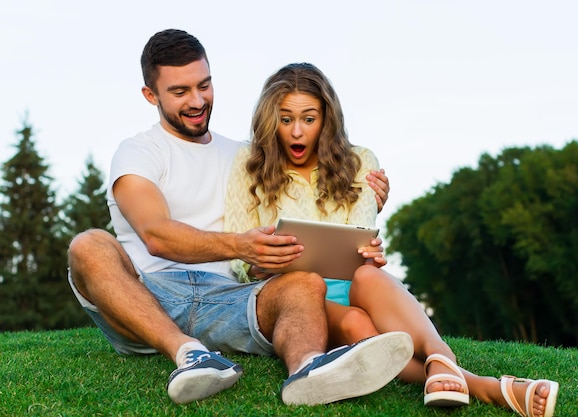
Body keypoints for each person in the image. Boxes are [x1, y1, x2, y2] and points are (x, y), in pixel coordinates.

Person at [66, 29, 415, 406]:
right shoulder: (138, 152)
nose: (197, 101)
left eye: (204, 85)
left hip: (232, 299)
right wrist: (241, 246)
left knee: (304, 282)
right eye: (180, 92)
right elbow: (156, 235)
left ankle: (307, 368)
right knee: (88, 245)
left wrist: (365, 192)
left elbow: (309, 186)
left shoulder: (247, 157)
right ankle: (187, 353)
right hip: (150, 294)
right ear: (151, 95)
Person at [224, 62, 560, 417]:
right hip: (297, 294)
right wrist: (257, 262)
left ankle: (440, 355)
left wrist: (367, 254)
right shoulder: (249, 163)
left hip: (355, 282)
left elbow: (360, 237)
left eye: (309, 118)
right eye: (285, 118)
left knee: (369, 275)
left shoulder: (361, 161)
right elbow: (237, 251)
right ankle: (488, 387)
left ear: (326, 119)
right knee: (358, 325)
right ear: (269, 118)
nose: (296, 132)